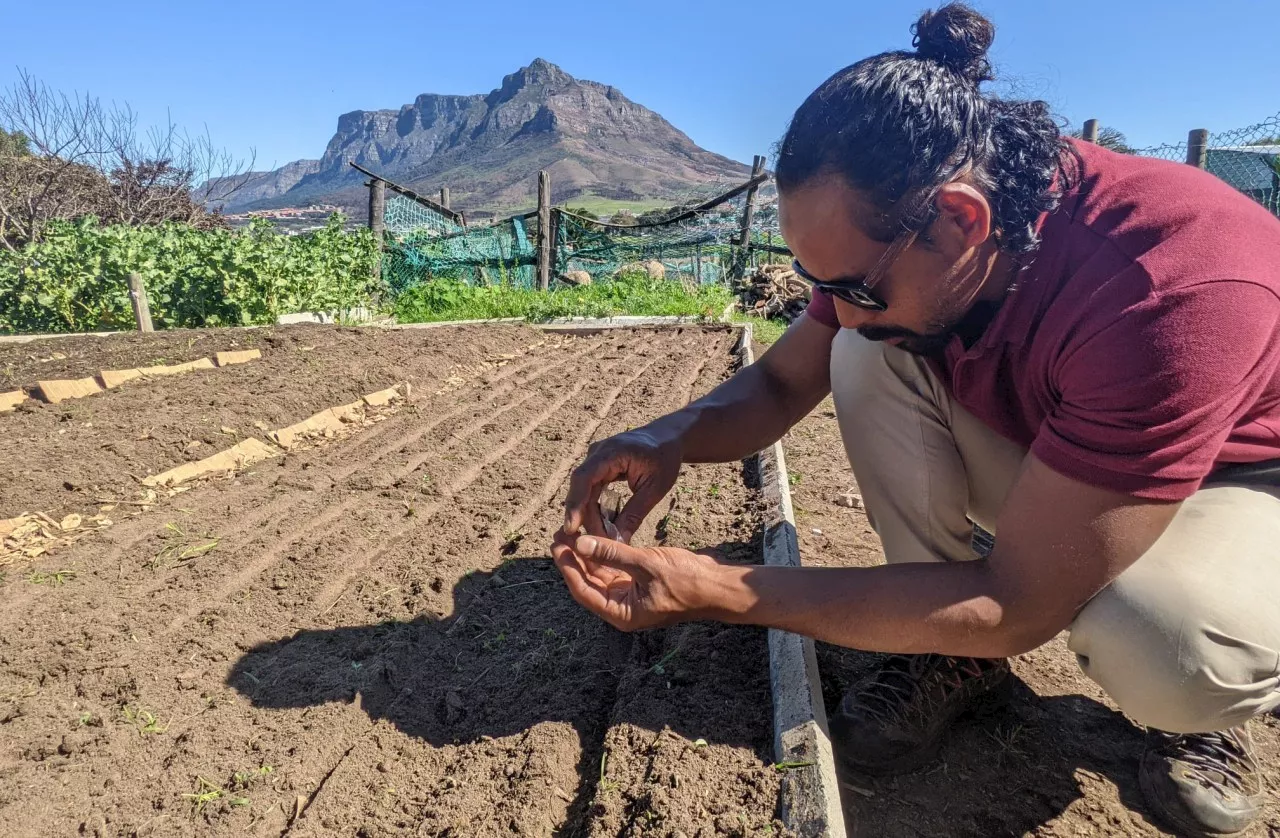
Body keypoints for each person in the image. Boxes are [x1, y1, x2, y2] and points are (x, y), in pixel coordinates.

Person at [550, 4, 1280, 836]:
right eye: (826, 286)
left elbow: (1020, 605)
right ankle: (950, 654)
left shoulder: (1168, 287)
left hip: (1242, 481)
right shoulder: (911, 224)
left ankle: (1206, 716)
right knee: (862, 354)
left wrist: (721, 591)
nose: (845, 312)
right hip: (1079, 456)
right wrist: (665, 437)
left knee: (1164, 643)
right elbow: (782, 385)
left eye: (858, 288)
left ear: (961, 220)